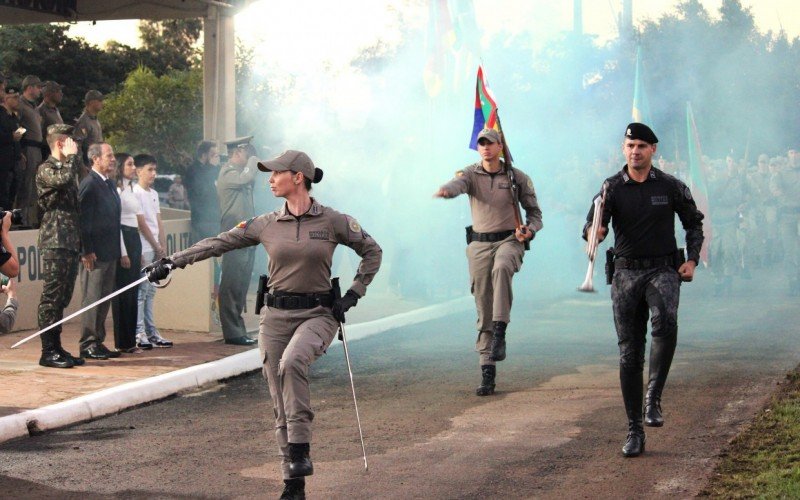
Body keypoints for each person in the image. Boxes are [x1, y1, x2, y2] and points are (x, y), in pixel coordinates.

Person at [143, 150, 382, 499]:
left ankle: (300, 451)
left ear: (298, 177)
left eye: (275, 174)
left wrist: (353, 294)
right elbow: (219, 243)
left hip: (318, 314)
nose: (269, 180)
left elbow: (372, 251)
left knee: (293, 363)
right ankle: (293, 482)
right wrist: (173, 261)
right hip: (274, 317)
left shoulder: (333, 221)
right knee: (277, 396)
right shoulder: (266, 223)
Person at [582, 123, 704, 457]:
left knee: (665, 320)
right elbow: (590, 228)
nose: (635, 151)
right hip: (625, 273)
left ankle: (654, 397)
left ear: (653, 150)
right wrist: (596, 234)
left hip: (663, 268)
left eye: (641, 146)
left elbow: (694, 223)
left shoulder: (670, 186)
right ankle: (634, 430)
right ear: (624, 149)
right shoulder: (610, 188)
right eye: (630, 145)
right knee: (629, 353)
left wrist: (691, 261)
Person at [434, 128, 542, 397]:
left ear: (500, 146)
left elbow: (535, 214)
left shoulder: (517, 177)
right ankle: (487, 370)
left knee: (503, 266)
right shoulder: (470, 174)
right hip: (479, 245)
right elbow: (457, 184)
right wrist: (447, 190)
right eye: (481, 143)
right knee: (483, 303)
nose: (485, 147)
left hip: (509, 240)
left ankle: (501, 329)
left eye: (490, 143)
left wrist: (529, 230)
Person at [35, 124, 85, 368]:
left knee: (62, 297)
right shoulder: (46, 169)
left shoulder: (68, 167)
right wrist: (73, 157)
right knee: (52, 297)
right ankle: (48, 350)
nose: (74, 146)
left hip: (69, 240)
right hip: (55, 239)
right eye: (70, 141)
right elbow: (64, 180)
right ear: (59, 143)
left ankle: (57, 346)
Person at [77, 143, 122, 360]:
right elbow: (83, 220)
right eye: (109, 155)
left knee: (104, 299)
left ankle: (98, 341)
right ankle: (87, 343)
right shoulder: (89, 184)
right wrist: (86, 250)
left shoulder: (109, 184)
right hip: (94, 254)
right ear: (95, 158)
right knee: (92, 298)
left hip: (109, 252)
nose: (113, 159)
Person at [217, 136, 258, 345]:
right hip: (234, 238)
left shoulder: (240, 174)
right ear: (237, 152)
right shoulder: (228, 173)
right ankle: (232, 333)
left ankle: (238, 329)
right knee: (231, 285)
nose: (250, 155)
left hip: (246, 237)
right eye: (247, 152)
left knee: (241, 285)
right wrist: (254, 160)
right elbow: (247, 178)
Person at [133, 154, 173, 348]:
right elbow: (141, 224)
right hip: (144, 247)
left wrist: (162, 246)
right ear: (138, 171)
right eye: (149, 169)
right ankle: (139, 332)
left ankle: (151, 331)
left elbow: (158, 221)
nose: (153, 174)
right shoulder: (135, 192)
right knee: (141, 293)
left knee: (151, 292)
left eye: (155, 170)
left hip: (155, 249)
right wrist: (154, 246)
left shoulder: (154, 194)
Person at [112, 152, 147, 352]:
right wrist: (123, 252)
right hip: (123, 237)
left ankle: (130, 340)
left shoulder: (131, 189)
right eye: (130, 164)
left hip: (134, 238)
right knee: (123, 293)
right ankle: (122, 341)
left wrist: (139, 250)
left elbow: (136, 220)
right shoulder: (116, 190)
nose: (134, 168)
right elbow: (117, 223)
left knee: (133, 291)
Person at [769, 146, 800, 295]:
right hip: (787, 216)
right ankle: (792, 280)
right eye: (791, 153)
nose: (794, 156)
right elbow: (774, 186)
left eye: (797, 153)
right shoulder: (780, 174)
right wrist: (778, 192)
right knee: (789, 249)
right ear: (788, 155)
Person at [17, 75, 45, 227]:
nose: (40, 90)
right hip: (27, 147)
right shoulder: (20, 105)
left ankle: (29, 219)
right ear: (30, 88)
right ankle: (22, 219)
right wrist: (20, 148)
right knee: (26, 185)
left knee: (34, 186)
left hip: (37, 149)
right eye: (38, 87)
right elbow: (17, 125)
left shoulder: (33, 106)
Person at [185, 140, 221, 244]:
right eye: (213, 155)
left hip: (214, 219)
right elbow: (201, 192)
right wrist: (212, 167)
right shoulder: (192, 170)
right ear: (204, 155)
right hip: (201, 221)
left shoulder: (212, 169)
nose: (215, 158)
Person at [0, 87, 23, 210]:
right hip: (3, 160)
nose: (17, 100)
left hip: (14, 160)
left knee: (12, 192)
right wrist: (11, 136)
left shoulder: (14, 117)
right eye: (14, 97)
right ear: (6, 98)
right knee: (3, 192)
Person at [73, 90, 104, 169]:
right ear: (91, 102)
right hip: (88, 163)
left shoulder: (94, 119)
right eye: (99, 100)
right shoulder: (84, 121)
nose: (102, 103)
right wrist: (82, 166)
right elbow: (78, 146)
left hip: (96, 161)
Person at [37, 81, 64, 158]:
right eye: (58, 91)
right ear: (49, 94)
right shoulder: (41, 111)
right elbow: (40, 135)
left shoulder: (56, 110)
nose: (61, 94)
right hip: (48, 153)